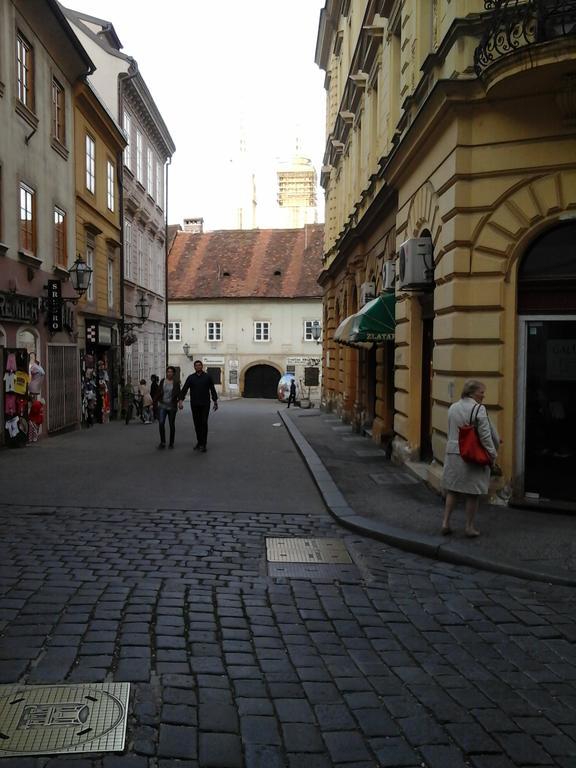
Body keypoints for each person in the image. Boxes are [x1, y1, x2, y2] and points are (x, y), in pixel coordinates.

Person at [442, 379, 500, 538]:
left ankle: (445, 522)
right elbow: (485, 436)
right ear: (472, 392)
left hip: (453, 452)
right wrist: (492, 454)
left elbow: (450, 430)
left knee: (453, 490)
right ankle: (469, 527)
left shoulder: (453, 407)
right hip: (471, 454)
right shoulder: (478, 409)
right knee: (472, 493)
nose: (484, 395)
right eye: (481, 392)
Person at [179, 360, 218, 452]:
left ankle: (203, 444)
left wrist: (215, 401)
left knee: (204, 423)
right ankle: (199, 442)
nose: (198, 367)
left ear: (202, 366)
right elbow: (184, 389)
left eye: (199, 365)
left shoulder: (207, 377)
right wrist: (180, 401)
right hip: (195, 404)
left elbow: (212, 389)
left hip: (205, 404)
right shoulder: (191, 378)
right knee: (197, 424)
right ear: (194, 367)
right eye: (196, 365)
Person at [154, 365, 181, 449]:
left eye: (171, 372)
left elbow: (179, 393)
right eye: (168, 372)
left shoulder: (176, 383)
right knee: (161, 423)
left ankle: (171, 443)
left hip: (172, 407)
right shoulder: (163, 381)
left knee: (171, 424)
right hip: (162, 406)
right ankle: (163, 442)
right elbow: (158, 392)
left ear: (173, 373)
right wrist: (153, 402)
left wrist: (180, 402)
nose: (169, 373)